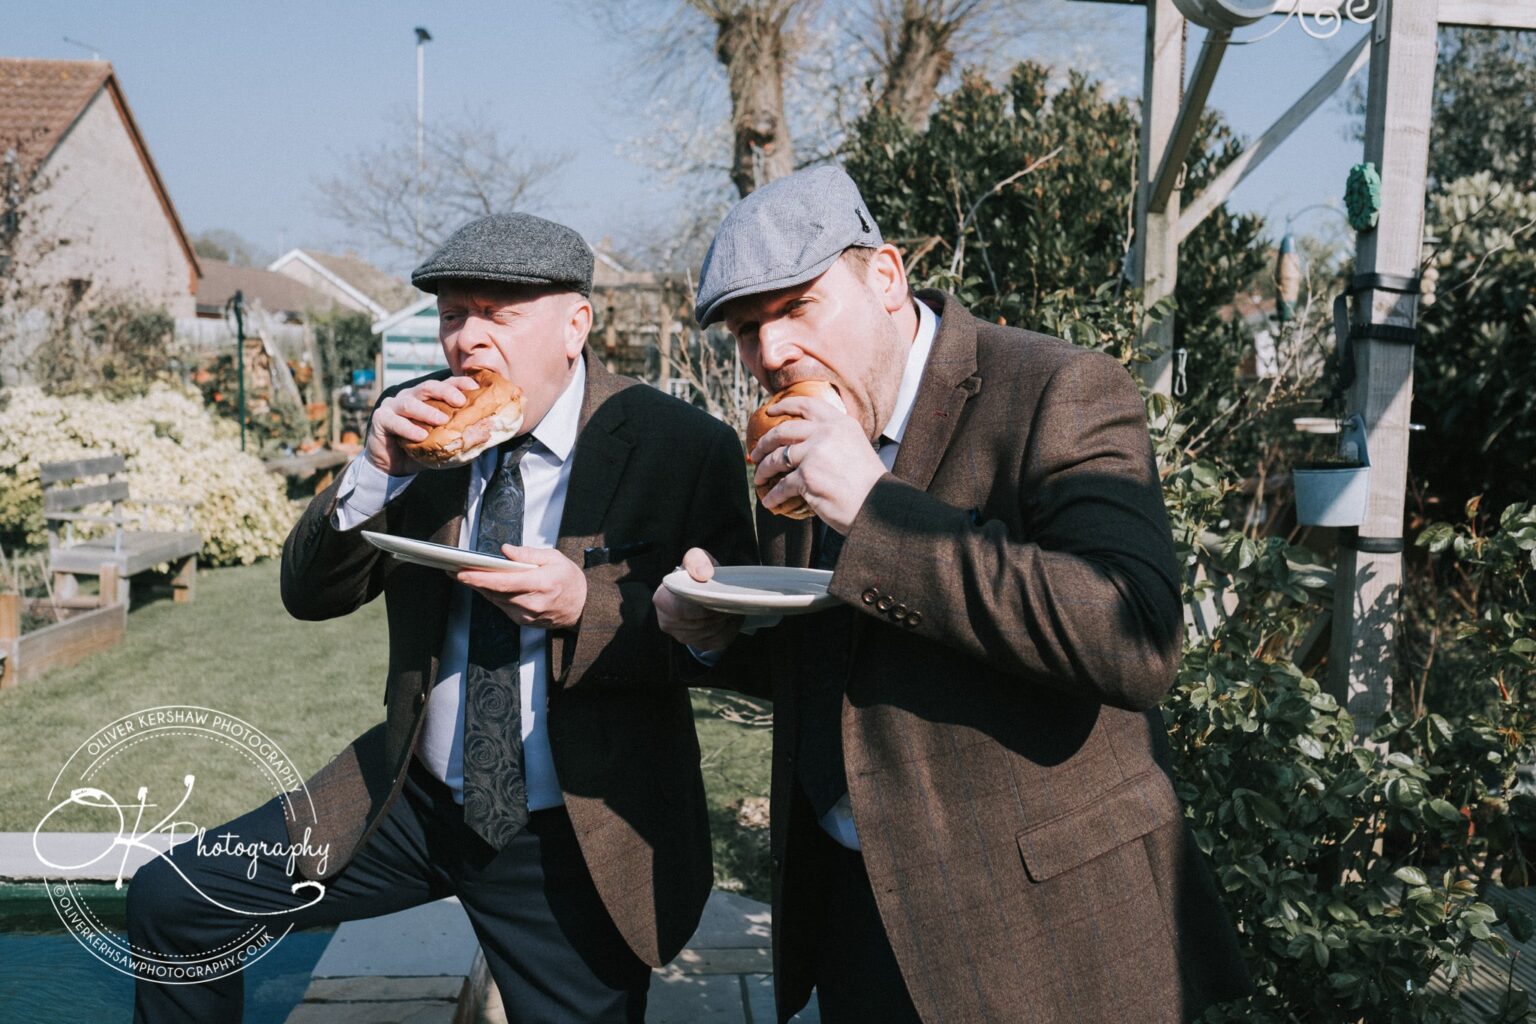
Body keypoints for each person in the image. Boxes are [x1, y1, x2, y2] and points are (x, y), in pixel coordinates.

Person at [656, 166, 1251, 1023]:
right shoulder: (799, 432)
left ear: (887, 278)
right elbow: (848, 656)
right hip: (858, 918)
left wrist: (873, 507)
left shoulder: (1059, 389)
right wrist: (718, 633)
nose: (771, 353)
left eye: (797, 307)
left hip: (1043, 933)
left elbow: (1135, 636)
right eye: (747, 330)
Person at [128, 212, 755, 1023]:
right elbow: (310, 595)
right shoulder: (417, 425)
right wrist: (374, 471)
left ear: (576, 325)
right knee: (175, 901)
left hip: (569, 830)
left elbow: (728, 646)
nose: (468, 340)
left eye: (499, 314)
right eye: (454, 314)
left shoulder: (679, 446)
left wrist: (586, 607)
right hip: (405, 800)